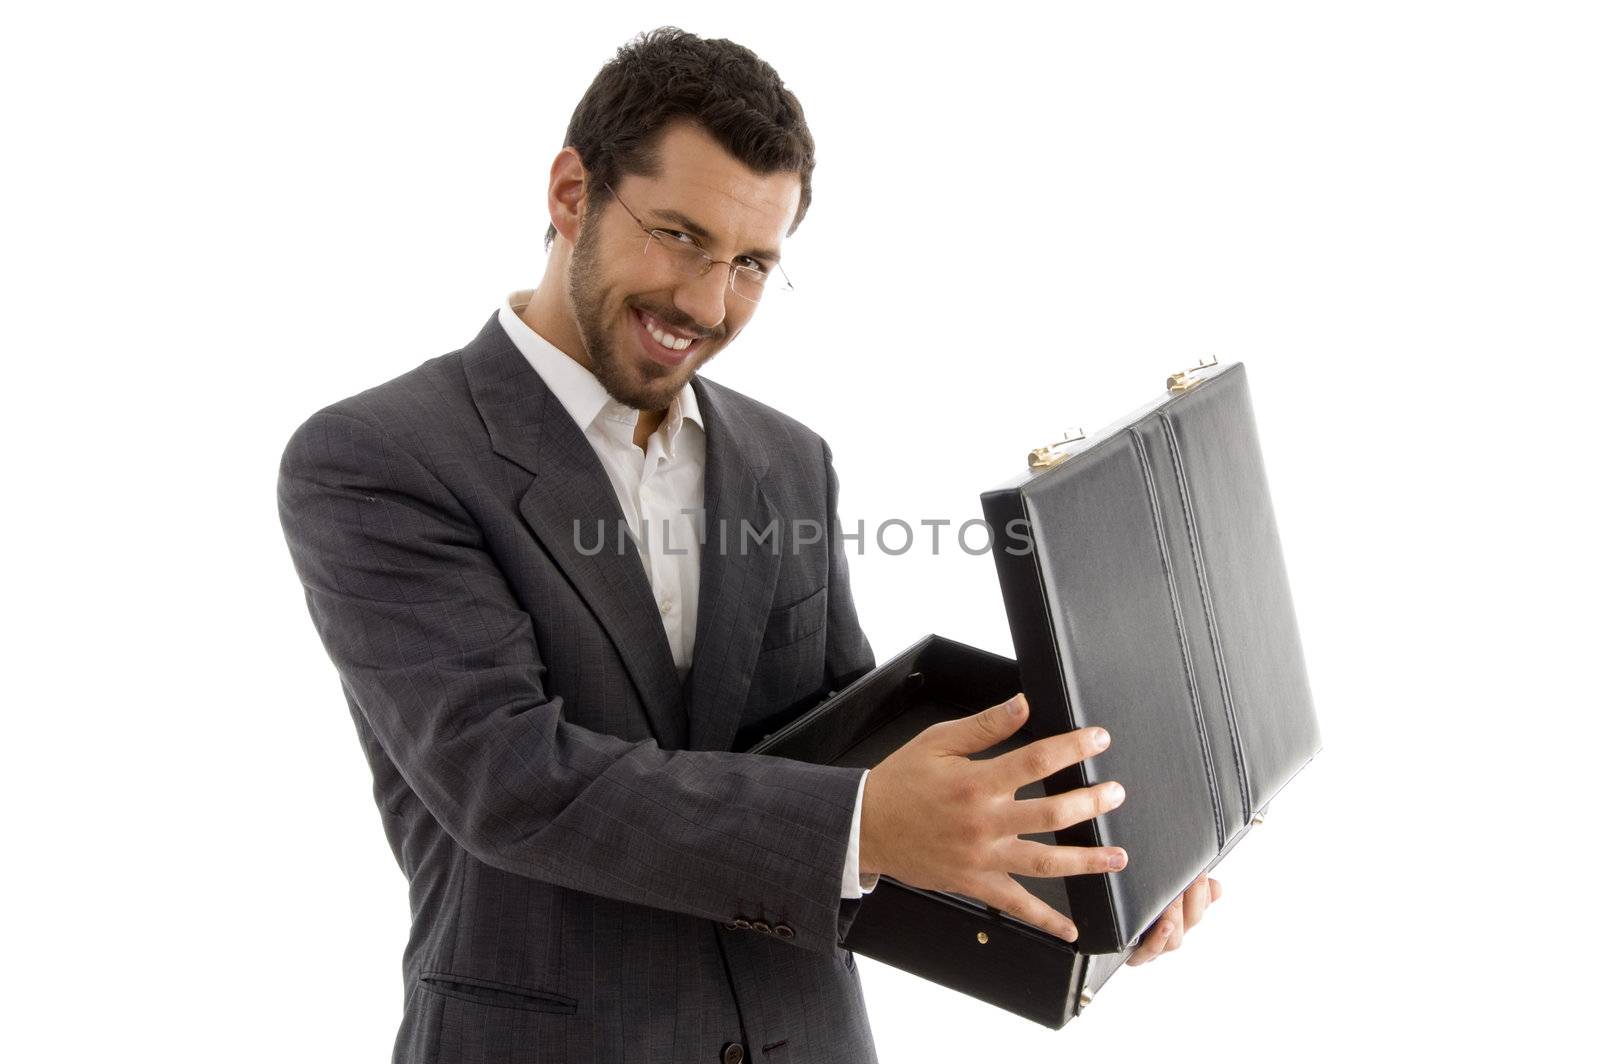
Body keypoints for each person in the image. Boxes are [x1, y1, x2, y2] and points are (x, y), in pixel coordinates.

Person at [276, 26, 1217, 1064]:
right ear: (570, 193)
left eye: (753, 264)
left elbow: (850, 752)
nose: (707, 303)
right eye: (679, 236)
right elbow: (507, 779)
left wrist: (1093, 870)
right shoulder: (378, 456)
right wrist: (862, 821)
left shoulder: (787, 458)